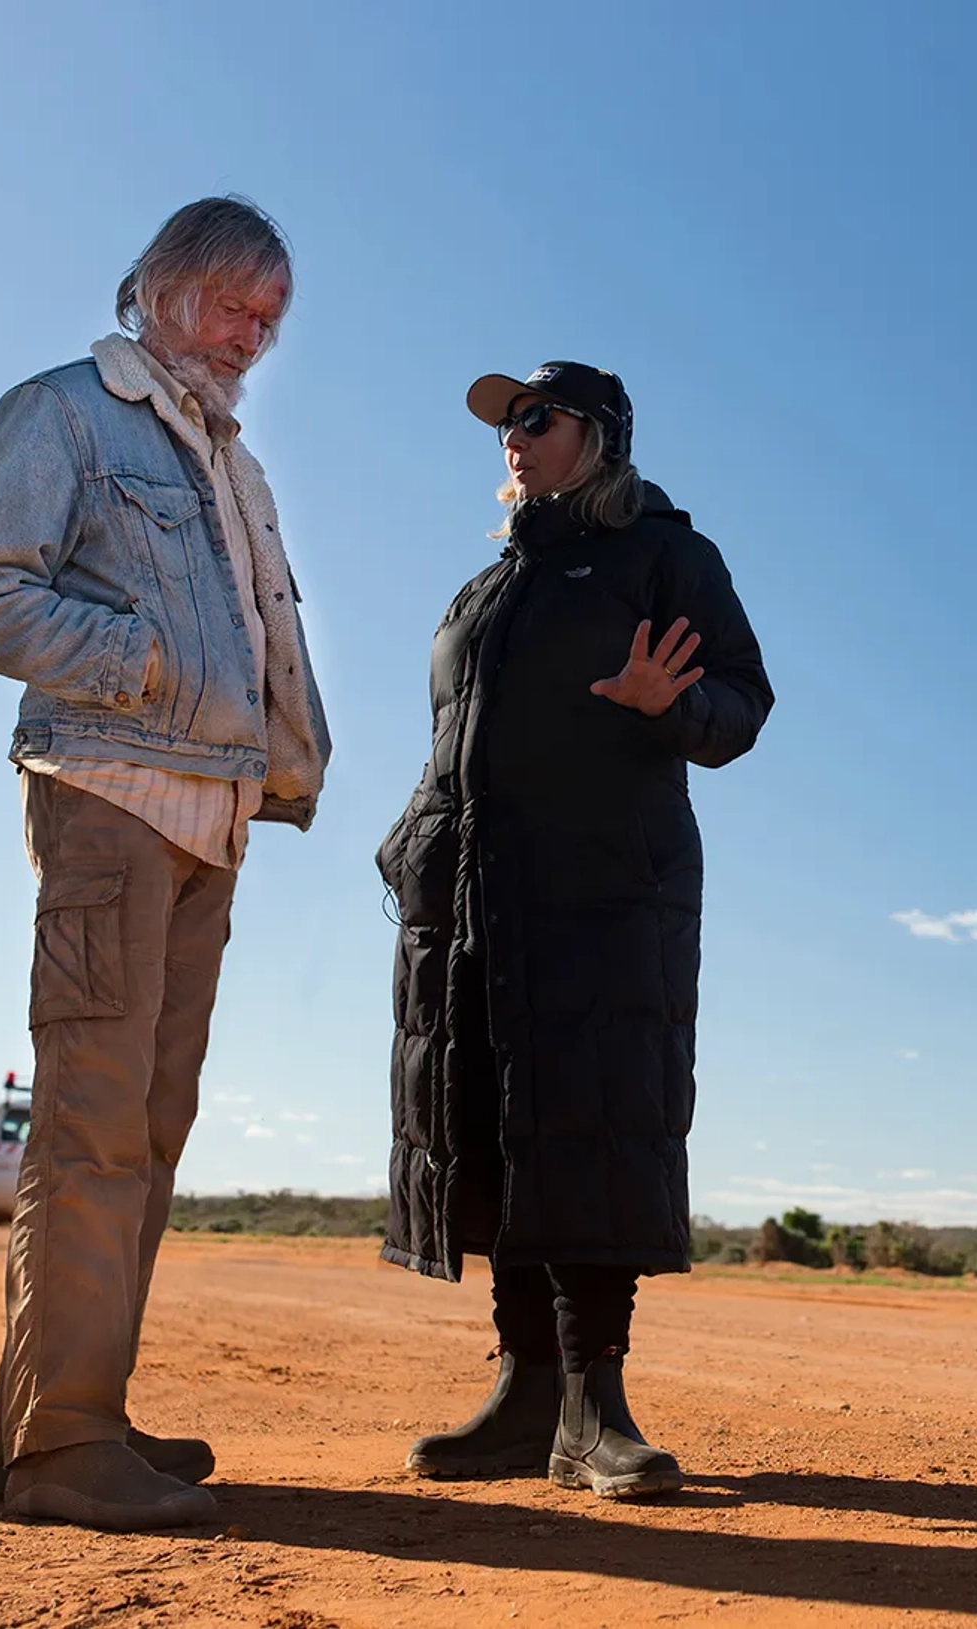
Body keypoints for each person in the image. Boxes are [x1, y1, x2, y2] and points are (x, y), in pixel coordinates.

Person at [0, 196, 331, 1532]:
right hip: (108, 794)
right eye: (233, 306)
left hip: (211, 819)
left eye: (269, 320)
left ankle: (65, 1414)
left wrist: (283, 757)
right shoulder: (65, 414)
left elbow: (264, 637)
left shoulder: (231, 463)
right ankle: (65, 1448)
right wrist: (144, 667)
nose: (252, 338)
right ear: (157, 291)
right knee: (95, 1124)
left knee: (148, 1135)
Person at [376, 361, 772, 1498]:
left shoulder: (664, 555)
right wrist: (411, 844)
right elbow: (453, 738)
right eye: (506, 421)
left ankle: (596, 1407)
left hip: (605, 888)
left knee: (593, 1123)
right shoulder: (488, 589)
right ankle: (525, 1396)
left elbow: (742, 704)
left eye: (536, 417)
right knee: (497, 1131)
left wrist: (674, 706)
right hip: (472, 899)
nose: (514, 435)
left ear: (598, 435)